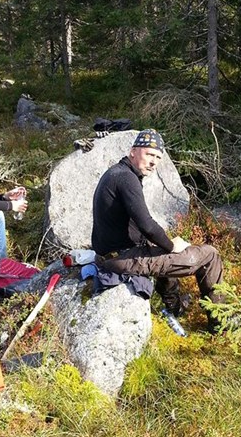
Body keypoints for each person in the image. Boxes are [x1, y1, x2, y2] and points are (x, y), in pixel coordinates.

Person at [91, 129, 225, 332]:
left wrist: (163, 243)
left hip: (110, 254)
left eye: (158, 157)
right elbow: (146, 224)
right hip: (120, 259)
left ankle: (175, 306)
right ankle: (220, 324)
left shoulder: (116, 173)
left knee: (157, 247)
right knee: (210, 255)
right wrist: (172, 245)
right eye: (149, 154)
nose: (154, 162)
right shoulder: (127, 179)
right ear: (133, 151)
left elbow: (140, 226)